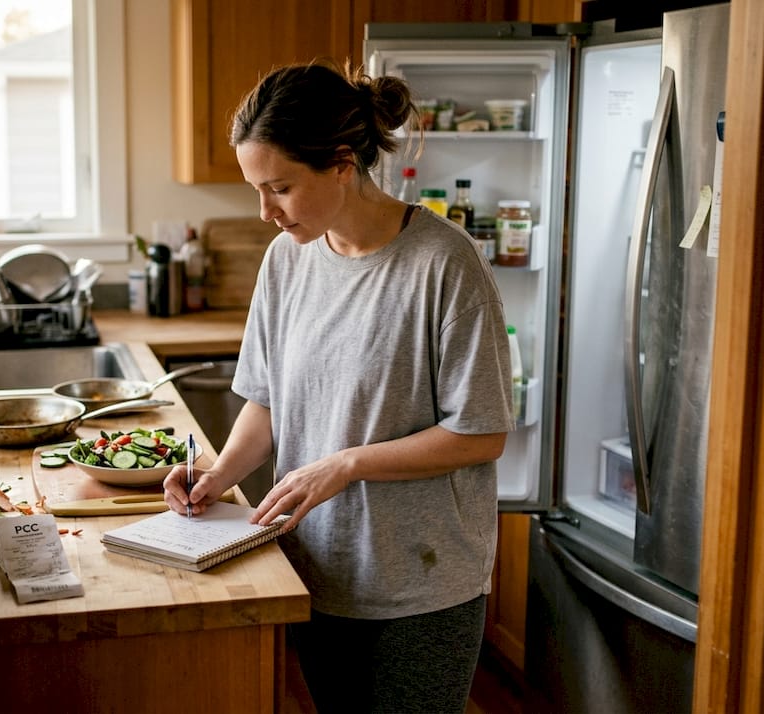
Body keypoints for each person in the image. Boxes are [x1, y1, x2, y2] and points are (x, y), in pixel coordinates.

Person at [162, 60, 514, 714]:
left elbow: (482, 432)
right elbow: (266, 401)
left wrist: (348, 465)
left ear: (343, 164)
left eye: (281, 189)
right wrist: (216, 473)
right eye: (256, 190)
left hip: (421, 583)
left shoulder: (445, 264)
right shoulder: (287, 259)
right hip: (313, 566)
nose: (265, 212)